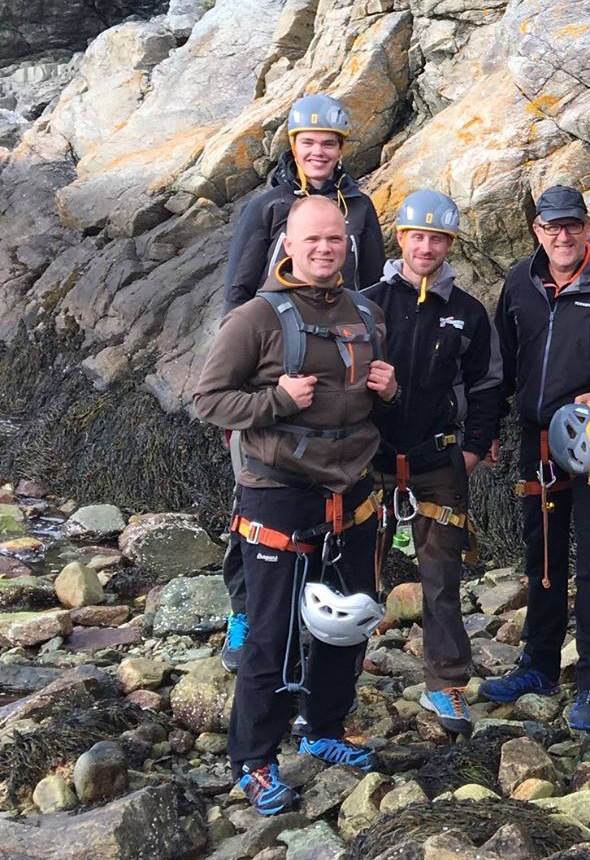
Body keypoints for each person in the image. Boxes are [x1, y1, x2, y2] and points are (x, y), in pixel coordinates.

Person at [194, 196, 396, 815]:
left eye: (334, 239)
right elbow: (208, 401)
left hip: (352, 496)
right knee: (272, 635)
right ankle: (254, 761)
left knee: (348, 620)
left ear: (348, 245)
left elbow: (370, 405)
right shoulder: (254, 319)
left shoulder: (367, 312)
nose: (324, 249)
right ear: (288, 243)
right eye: (311, 240)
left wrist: (391, 391)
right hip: (278, 497)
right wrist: (277, 401)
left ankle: (325, 728)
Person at [219, 94, 387, 673]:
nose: (318, 152)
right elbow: (239, 291)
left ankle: (318, 630)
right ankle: (247, 611)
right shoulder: (267, 208)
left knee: (330, 509)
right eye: (308, 142)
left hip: (338, 361)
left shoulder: (359, 207)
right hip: (275, 366)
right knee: (257, 496)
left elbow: (368, 291)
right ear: (292, 146)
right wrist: (244, 390)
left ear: (343, 149)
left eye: (329, 143)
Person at [481, 185, 590, 733]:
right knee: (543, 558)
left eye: (573, 225)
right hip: (538, 441)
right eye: (552, 227)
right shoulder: (520, 283)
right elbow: (501, 361)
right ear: (538, 231)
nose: (563, 236)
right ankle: (539, 664)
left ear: (588, 226)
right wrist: (490, 426)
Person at [362, 189, 500, 737]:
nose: (426, 247)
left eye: (437, 238)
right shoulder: (368, 301)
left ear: (448, 245)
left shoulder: (466, 313)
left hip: (437, 456)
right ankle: (335, 673)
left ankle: (446, 685)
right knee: (354, 569)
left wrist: (472, 448)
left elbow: (489, 385)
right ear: (401, 238)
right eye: (417, 236)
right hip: (370, 455)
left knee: (442, 576)